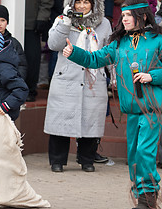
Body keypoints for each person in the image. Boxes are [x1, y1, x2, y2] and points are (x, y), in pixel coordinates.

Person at [63, 0, 162, 209]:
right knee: (134, 156)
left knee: (145, 153)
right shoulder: (120, 44)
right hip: (132, 111)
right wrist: (74, 53)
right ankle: (144, 204)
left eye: (129, 15)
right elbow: (95, 59)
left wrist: (153, 76)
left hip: (153, 108)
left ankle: (148, 201)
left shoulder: (158, 40)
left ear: (143, 16)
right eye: (123, 15)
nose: (123, 18)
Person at [0, 29, 50, 208]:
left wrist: (6, 105)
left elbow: (21, 90)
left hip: (1, 118)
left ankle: (16, 193)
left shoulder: (5, 68)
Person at [44, 0, 112, 173]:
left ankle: (87, 160)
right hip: (66, 77)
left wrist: (115, 77)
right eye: (78, 2)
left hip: (93, 79)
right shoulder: (62, 19)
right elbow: (54, 45)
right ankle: (57, 161)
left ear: (94, 4)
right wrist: (66, 22)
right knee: (61, 121)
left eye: (86, 2)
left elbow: (110, 51)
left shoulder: (103, 23)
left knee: (91, 120)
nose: (81, 6)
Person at [24, 0, 55, 102]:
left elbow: (46, 2)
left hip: (31, 23)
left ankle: (29, 90)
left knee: (31, 58)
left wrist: (42, 17)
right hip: (8, 22)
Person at [0, 4, 27, 80]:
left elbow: (21, 65)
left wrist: (16, 81)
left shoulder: (14, 43)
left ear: (7, 22)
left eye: (3, 20)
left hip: (9, 84)